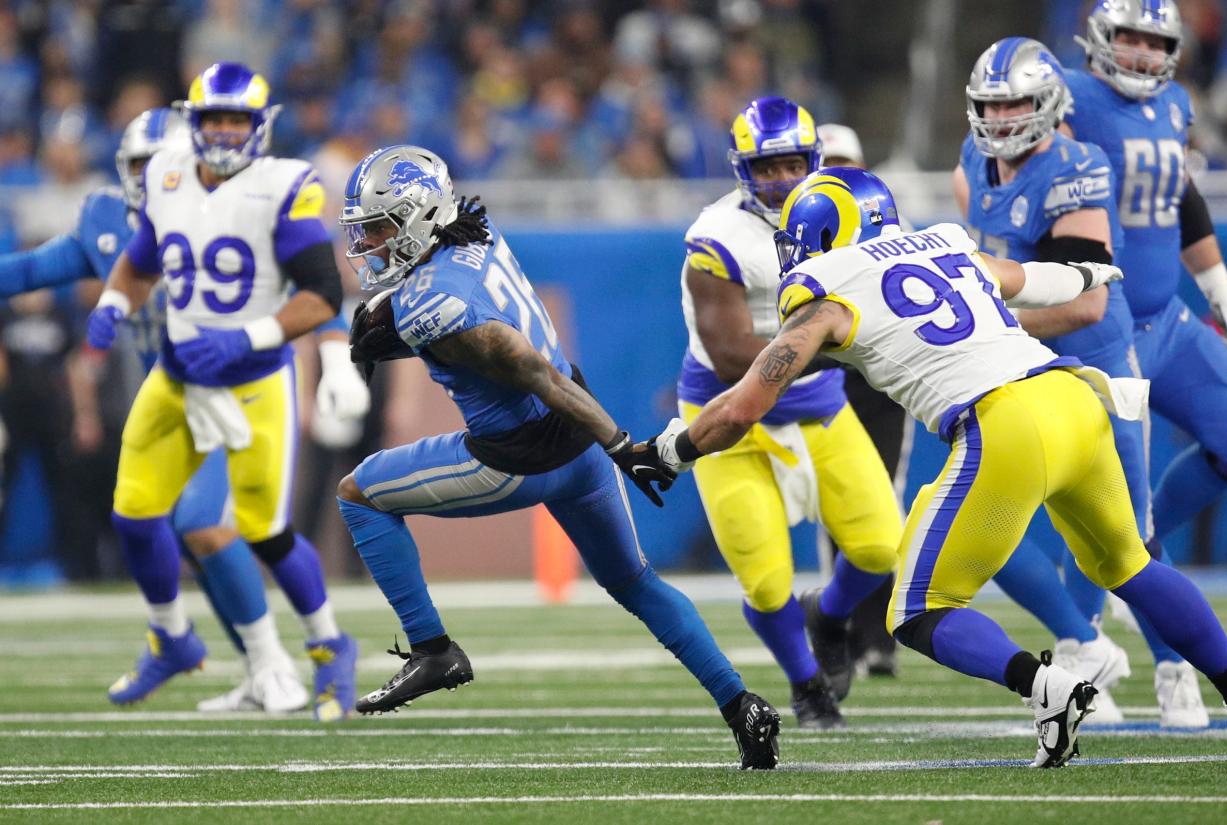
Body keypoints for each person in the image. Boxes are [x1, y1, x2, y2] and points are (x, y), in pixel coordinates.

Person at [650, 167, 1227, 767]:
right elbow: (1032, 281)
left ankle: (1048, 689)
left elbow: (743, 406)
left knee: (916, 612)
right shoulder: (945, 243)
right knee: (1131, 564)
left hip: (1004, 425)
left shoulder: (823, 295)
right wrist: (1090, 273)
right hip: (1073, 398)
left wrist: (672, 451)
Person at [333, 144, 780, 769]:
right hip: (578, 449)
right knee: (636, 582)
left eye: (380, 228)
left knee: (358, 494)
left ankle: (433, 649)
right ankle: (743, 706)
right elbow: (486, 337)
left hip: (513, 458)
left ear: (418, 217)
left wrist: (623, 444)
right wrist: (610, 446)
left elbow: (529, 367)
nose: (371, 244)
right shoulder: (472, 232)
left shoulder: (431, 305)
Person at [84, 64, 360, 721]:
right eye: (215, 119)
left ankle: (329, 645)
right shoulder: (167, 174)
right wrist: (115, 300)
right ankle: (172, 635)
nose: (226, 131)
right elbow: (142, 258)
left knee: (264, 531)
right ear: (196, 121)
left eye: (238, 119)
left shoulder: (283, 187)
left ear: (260, 125)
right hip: (177, 376)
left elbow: (322, 295)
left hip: (251, 382)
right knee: (133, 511)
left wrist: (249, 337)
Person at [955, 37, 1207, 727]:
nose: (1001, 120)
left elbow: (1085, 302)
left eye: (1015, 105)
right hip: (1024, 366)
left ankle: (1176, 664)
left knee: (1126, 539)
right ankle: (1082, 642)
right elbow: (977, 229)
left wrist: (983, 317)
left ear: (1047, 104)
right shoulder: (972, 161)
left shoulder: (1075, 168)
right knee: (987, 514)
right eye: (990, 106)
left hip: (1094, 365)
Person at [675, 96, 901, 728]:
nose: (779, 178)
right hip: (731, 419)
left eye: (791, 163)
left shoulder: (847, 210)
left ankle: (828, 619)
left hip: (819, 409)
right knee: (768, 583)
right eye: (766, 166)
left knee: (881, 546)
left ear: (815, 159)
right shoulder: (717, 236)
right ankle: (807, 686)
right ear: (743, 168)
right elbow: (727, 356)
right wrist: (841, 349)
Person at [1064, 1, 1227, 560]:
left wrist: (1221, 294)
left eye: (1156, 42)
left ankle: (1146, 543)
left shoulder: (1173, 104)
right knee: (1111, 486)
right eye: (1130, 38)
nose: (1144, 53)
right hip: (1104, 323)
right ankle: (1101, 605)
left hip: (1168, 318)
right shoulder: (1070, 96)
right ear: (1100, 36)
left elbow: (1181, 202)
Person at [816, 121, 910, 680]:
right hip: (826, 383)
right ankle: (844, 629)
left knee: (884, 503)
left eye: (846, 163)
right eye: (828, 165)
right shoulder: (799, 226)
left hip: (880, 383)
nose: (840, 175)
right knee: (836, 508)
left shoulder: (892, 223)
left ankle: (880, 635)